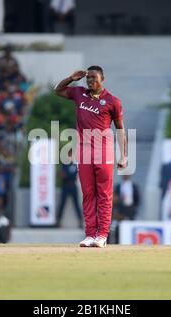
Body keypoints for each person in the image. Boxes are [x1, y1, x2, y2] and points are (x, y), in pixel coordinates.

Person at [54, 66, 127, 248]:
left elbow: (120, 128)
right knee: (88, 193)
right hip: (84, 152)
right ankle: (89, 234)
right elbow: (58, 90)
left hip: (104, 152)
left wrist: (124, 155)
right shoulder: (79, 94)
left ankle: (102, 235)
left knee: (104, 194)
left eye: (94, 78)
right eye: (88, 78)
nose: (90, 81)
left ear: (103, 78)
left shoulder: (112, 101)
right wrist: (71, 78)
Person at [56, 149, 83, 228]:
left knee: (76, 204)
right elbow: (62, 175)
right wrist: (67, 175)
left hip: (73, 186)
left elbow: (73, 175)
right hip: (65, 186)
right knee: (62, 204)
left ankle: (80, 221)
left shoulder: (75, 165)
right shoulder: (64, 164)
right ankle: (58, 220)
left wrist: (67, 175)